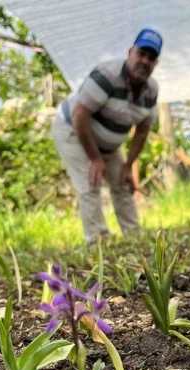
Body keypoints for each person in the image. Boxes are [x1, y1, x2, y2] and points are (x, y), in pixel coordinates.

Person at [52, 29, 162, 243]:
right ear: (131, 52)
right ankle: (98, 241)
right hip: (73, 129)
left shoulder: (151, 91)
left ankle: (134, 236)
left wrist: (129, 165)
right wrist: (95, 159)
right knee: (90, 182)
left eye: (151, 58)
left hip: (108, 144)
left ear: (155, 63)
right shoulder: (107, 76)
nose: (145, 61)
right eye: (141, 54)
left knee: (122, 182)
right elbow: (80, 115)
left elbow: (142, 131)